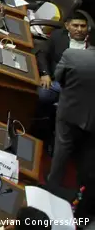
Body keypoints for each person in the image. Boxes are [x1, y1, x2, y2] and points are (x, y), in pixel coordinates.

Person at [48, 47, 95, 189]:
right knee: (89, 152)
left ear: (87, 39)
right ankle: (82, 191)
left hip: (70, 109)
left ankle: (53, 184)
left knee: (63, 147)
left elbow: (58, 78)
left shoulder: (71, 54)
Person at [38, 14, 88, 108]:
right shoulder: (58, 36)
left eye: (83, 26)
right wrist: (45, 73)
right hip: (57, 82)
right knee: (43, 94)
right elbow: (42, 53)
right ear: (67, 26)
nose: (79, 29)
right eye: (75, 25)